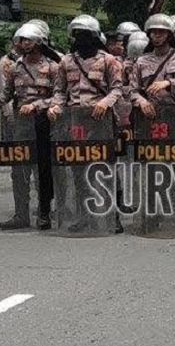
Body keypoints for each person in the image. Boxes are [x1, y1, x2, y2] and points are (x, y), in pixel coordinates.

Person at [0, 23, 61, 230]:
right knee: (19, 170)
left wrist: (36, 105)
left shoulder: (53, 66)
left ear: (40, 41)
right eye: (22, 40)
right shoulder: (16, 67)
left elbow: (60, 97)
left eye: (29, 40)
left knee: (42, 169)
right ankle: (21, 214)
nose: (24, 44)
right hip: (21, 124)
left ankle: (44, 213)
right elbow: (6, 95)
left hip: (44, 123)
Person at [48, 15, 124, 233]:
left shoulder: (109, 61)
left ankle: (112, 216)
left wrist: (105, 102)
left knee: (104, 170)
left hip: (101, 122)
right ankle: (83, 216)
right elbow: (59, 91)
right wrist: (55, 106)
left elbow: (117, 89)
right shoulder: (66, 62)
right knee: (79, 171)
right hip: (74, 122)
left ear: (94, 36)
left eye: (85, 34)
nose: (81, 39)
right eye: (77, 34)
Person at [130, 14, 175, 231]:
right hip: (151, 119)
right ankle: (151, 215)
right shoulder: (141, 61)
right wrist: (140, 101)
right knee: (151, 168)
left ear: (169, 34)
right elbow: (130, 89)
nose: (157, 36)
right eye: (153, 32)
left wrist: (168, 83)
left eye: (161, 32)